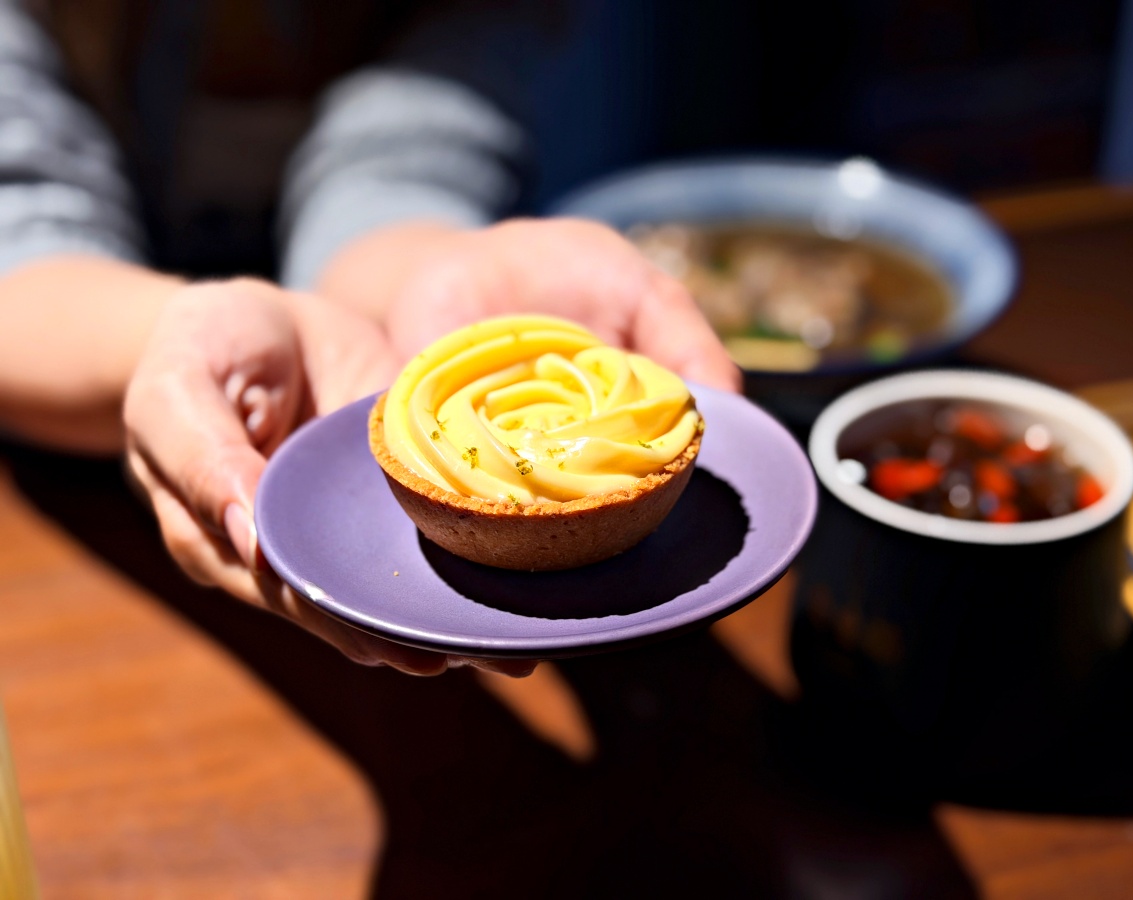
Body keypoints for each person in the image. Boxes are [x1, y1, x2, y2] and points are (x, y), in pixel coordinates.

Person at [0, 0, 739, 674]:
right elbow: (18, 224)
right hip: (73, 539)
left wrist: (430, 278)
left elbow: (406, 153)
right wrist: (163, 336)